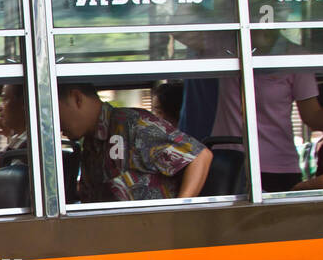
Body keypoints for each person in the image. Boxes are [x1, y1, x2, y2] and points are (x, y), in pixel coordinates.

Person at [56, 83, 212, 202]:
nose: (57, 125)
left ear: (77, 98)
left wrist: (176, 212)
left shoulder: (132, 125)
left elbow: (200, 156)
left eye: (56, 112)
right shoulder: (91, 144)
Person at [211, 72, 323, 192]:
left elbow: (312, 116)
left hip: (278, 167)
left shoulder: (294, 60)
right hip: (227, 162)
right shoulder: (226, 54)